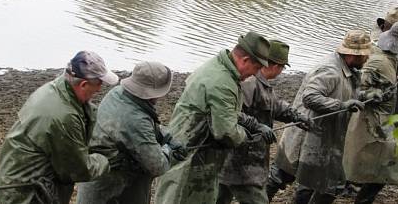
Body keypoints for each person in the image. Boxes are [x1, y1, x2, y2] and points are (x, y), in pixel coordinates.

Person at [154, 32, 272, 204]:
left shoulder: (218, 66)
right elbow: (225, 132)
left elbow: (224, 110)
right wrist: (247, 136)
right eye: (256, 68)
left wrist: (253, 124)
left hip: (191, 149)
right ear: (245, 60)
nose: (255, 74)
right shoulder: (223, 82)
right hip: (191, 156)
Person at [0, 51, 118, 204]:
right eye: (98, 84)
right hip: (26, 195)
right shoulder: (64, 116)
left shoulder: (54, 89)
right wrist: (105, 160)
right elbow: (78, 170)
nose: (99, 89)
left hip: (12, 183)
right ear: (83, 84)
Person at [267, 30, 372, 204]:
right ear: (353, 55)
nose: (367, 59)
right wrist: (341, 105)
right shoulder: (329, 69)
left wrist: (365, 97)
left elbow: (345, 91)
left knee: (313, 181)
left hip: (321, 136)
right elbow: (310, 97)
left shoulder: (348, 68)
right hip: (306, 133)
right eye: (365, 55)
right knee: (282, 176)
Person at [76, 61, 187, 204]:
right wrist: (169, 150)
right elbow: (157, 165)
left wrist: (167, 137)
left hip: (98, 176)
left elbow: (147, 127)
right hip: (112, 188)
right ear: (154, 92)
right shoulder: (135, 119)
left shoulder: (118, 93)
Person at [217, 40, 314, 204]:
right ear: (276, 66)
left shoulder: (262, 84)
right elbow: (234, 113)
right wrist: (256, 126)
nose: (281, 71)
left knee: (220, 196)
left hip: (243, 161)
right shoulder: (250, 82)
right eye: (283, 67)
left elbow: (275, 106)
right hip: (241, 161)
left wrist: (296, 116)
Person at [343, 22, 398, 204]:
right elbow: (354, 90)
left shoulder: (394, 58)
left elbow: (393, 78)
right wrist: (373, 94)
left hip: (384, 121)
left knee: (382, 165)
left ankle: (360, 196)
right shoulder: (377, 61)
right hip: (374, 122)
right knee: (385, 164)